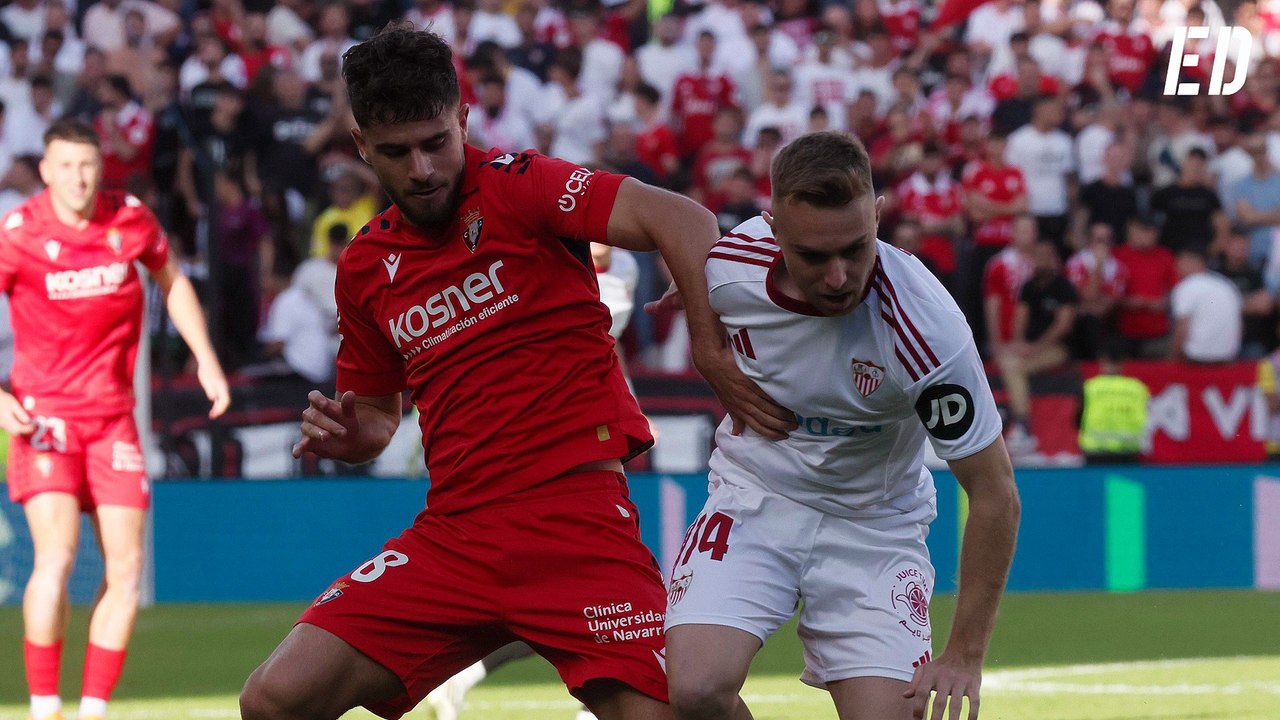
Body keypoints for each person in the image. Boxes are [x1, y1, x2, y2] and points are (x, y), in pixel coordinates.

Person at [238, 24, 792, 720]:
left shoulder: (522, 185)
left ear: (463, 120)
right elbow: (376, 415)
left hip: (575, 523)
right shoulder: (364, 266)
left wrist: (710, 352)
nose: (422, 169)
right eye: (397, 152)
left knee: (681, 710)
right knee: (274, 699)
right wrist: (355, 437)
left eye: (436, 142)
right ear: (361, 146)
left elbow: (683, 219)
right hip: (454, 534)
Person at [662, 132, 1021, 720]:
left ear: (877, 216)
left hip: (874, 529)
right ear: (773, 229)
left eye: (856, 249)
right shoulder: (730, 266)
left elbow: (995, 492)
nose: (838, 277)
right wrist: (703, 331)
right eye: (813, 256)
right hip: (755, 499)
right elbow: (702, 272)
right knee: (695, 690)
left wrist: (965, 654)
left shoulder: (927, 330)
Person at [0, 118, 230, 720]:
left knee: (126, 567)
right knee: (56, 557)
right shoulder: (19, 233)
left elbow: (171, 279)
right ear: (45, 171)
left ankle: (93, 709)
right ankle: (44, 705)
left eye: (87, 166)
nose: (78, 178)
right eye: (65, 166)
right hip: (46, 419)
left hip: (113, 422)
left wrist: (206, 359)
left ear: (99, 168)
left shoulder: (128, 218)